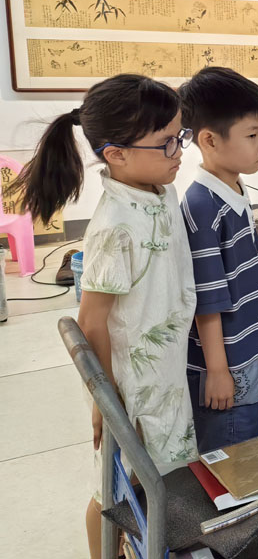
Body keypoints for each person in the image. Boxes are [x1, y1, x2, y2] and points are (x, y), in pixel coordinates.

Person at [9, 74, 198, 559]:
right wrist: (106, 402)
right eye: (166, 142)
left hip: (164, 372)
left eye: (179, 136)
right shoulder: (116, 226)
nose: (179, 151)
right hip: (131, 384)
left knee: (156, 479)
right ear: (116, 154)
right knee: (116, 488)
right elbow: (92, 322)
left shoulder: (159, 191)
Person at [178, 67, 258, 453]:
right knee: (231, 455)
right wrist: (218, 371)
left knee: (245, 440)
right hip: (224, 361)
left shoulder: (233, 184)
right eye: (252, 135)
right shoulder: (202, 207)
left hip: (242, 351)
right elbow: (207, 301)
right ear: (209, 140)